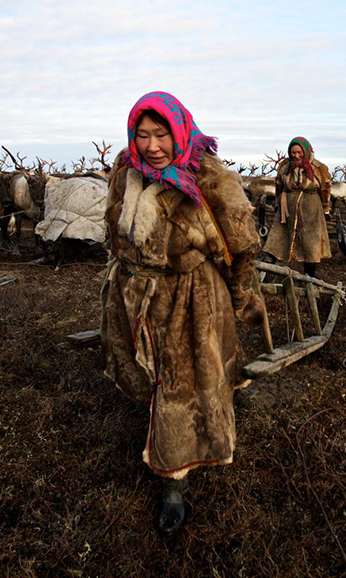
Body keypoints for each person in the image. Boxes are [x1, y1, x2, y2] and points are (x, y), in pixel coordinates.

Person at [100, 91, 264, 534]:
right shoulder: (124, 171)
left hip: (190, 300)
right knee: (150, 375)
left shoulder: (209, 179)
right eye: (142, 134)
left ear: (179, 131)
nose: (152, 145)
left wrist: (240, 299)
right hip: (135, 291)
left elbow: (241, 249)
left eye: (161, 134)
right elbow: (114, 231)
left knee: (181, 387)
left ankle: (174, 482)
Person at [262, 137, 332, 278]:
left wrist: (325, 209)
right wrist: (278, 203)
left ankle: (309, 277)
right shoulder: (284, 166)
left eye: (299, 152)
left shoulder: (318, 168)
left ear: (305, 151)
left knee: (310, 242)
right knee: (277, 236)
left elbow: (325, 189)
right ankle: (265, 269)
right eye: (293, 152)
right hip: (287, 206)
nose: (296, 155)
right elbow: (279, 185)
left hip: (311, 208)